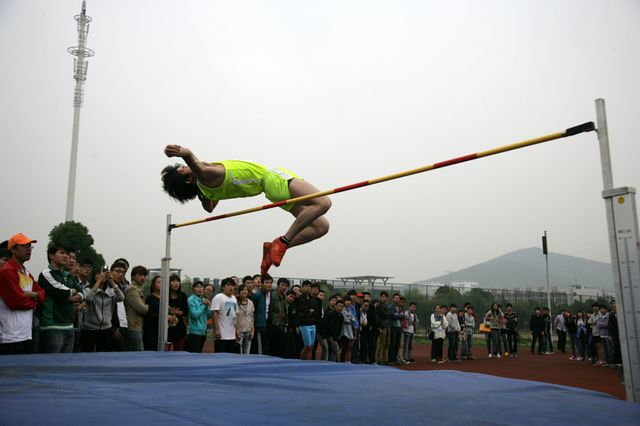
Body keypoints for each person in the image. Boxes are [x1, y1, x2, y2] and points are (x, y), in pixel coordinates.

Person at [162, 145, 332, 275]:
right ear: (188, 179)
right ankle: (284, 241)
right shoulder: (207, 175)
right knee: (323, 202)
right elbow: (197, 163)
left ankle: (273, 246)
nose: (186, 166)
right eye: (182, 168)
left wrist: (198, 190)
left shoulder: (207, 190)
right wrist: (183, 152)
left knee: (321, 227)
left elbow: (209, 208)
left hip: (271, 192)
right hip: (272, 180)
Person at [0, 233, 46, 355]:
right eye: (24, 246)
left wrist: (32, 295)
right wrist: (34, 298)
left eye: (30, 246)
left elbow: (42, 294)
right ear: (13, 249)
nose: (28, 249)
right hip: (10, 337)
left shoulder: (25, 272)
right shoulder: (7, 271)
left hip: (26, 335)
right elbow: (16, 302)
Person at [37, 243, 85, 353]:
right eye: (62, 253)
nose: (66, 256)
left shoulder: (68, 275)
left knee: (66, 367)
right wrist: (71, 292)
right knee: (52, 367)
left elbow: (82, 294)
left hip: (69, 327)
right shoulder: (46, 274)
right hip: (53, 328)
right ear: (51, 256)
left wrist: (69, 294)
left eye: (67, 254)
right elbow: (64, 293)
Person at [81, 268, 124, 352]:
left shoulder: (110, 291)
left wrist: (112, 282)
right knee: (87, 354)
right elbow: (88, 298)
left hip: (106, 329)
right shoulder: (88, 290)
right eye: (99, 274)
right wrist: (98, 281)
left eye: (103, 273)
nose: (102, 275)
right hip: (90, 329)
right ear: (94, 276)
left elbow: (121, 297)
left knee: (103, 355)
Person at [124, 265, 149, 351]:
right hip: (133, 326)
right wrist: (150, 306)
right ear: (133, 276)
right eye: (140, 275)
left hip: (138, 326)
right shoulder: (132, 290)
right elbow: (142, 309)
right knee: (136, 353)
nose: (143, 278)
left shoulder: (139, 289)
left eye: (144, 275)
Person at [211, 277, 239, 353]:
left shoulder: (234, 299)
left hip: (232, 335)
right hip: (222, 336)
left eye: (233, 285)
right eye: (229, 285)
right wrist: (217, 329)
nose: (231, 287)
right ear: (223, 287)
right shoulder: (218, 297)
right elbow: (214, 313)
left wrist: (237, 330)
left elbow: (236, 315)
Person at [296, 280, 320, 360]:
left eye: (309, 286)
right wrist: (309, 311)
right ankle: (301, 360)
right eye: (306, 286)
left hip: (312, 324)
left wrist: (309, 312)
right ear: (302, 287)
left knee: (311, 346)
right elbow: (302, 309)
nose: (308, 288)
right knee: (307, 345)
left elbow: (316, 311)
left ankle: (308, 362)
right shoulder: (300, 298)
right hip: (304, 324)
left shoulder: (313, 299)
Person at [186, 281, 210, 353]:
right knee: (193, 355)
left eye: (201, 287)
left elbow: (208, 316)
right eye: (197, 287)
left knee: (199, 354)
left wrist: (208, 306)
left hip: (203, 332)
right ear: (193, 289)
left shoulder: (203, 300)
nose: (199, 289)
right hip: (194, 332)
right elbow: (194, 315)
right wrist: (203, 306)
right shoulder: (191, 300)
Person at [168, 275, 189, 351]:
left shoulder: (183, 296)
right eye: (173, 281)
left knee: (179, 352)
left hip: (179, 328)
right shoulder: (164, 295)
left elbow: (185, 311)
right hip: (166, 328)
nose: (176, 283)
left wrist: (175, 312)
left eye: (178, 281)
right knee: (165, 352)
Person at [143, 275, 161, 351]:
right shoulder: (150, 298)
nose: (162, 284)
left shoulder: (165, 299)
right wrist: (165, 317)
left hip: (162, 332)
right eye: (159, 282)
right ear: (153, 285)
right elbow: (149, 315)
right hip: (151, 333)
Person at [236, 283, 254, 355]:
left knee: (247, 353)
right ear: (239, 292)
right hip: (239, 331)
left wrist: (252, 330)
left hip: (248, 331)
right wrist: (236, 330)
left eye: (246, 290)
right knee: (239, 353)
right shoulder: (236, 302)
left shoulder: (251, 303)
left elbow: (252, 317)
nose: (244, 291)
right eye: (242, 290)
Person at [375, 291, 391, 365]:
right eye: (383, 297)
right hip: (382, 327)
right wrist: (387, 314)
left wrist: (387, 314)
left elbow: (388, 314)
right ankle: (378, 359)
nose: (384, 298)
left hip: (387, 326)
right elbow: (385, 315)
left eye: (385, 297)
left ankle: (385, 359)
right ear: (380, 297)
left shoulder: (386, 306)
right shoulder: (378, 306)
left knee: (387, 344)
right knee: (381, 343)